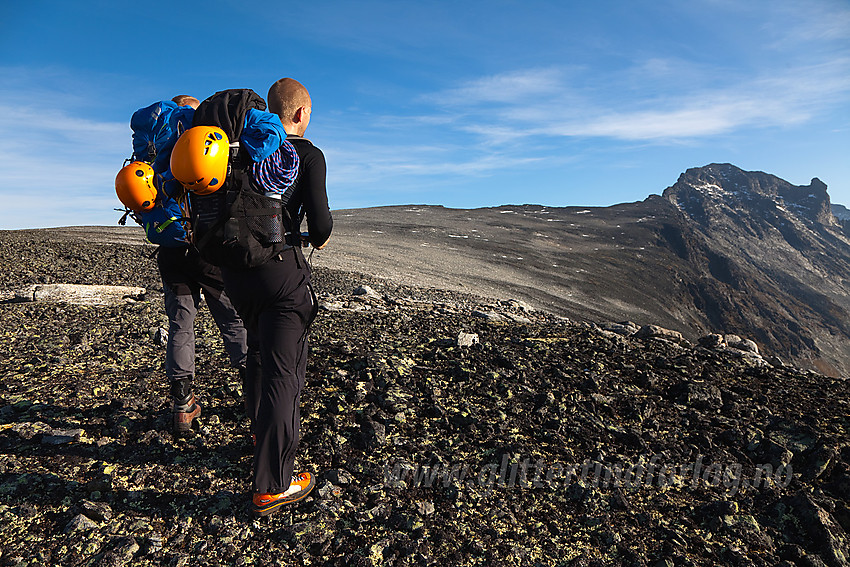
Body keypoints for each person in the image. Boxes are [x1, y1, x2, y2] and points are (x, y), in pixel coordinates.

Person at [220, 78, 332, 516]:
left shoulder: (236, 150)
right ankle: (273, 485)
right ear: (301, 113)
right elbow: (320, 227)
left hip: (235, 275)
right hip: (280, 277)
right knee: (285, 374)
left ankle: (259, 433)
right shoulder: (306, 155)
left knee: (259, 356)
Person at [158, 95, 248, 435]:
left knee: (181, 324)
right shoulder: (201, 147)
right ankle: (253, 392)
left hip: (171, 253)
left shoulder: (160, 151)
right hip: (207, 250)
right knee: (232, 320)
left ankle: (182, 406)